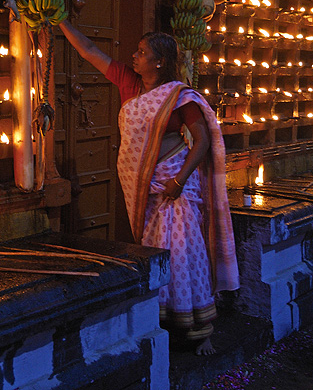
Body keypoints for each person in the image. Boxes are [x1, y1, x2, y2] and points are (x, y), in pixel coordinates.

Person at [57, 20, 240, 355]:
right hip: (144, 189)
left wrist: (179, 180)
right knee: (154, 251)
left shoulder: (179, 97)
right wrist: (60, 20)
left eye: (142, 53)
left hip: (176, 187)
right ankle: (163, 322)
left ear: (159, 62)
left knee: (185, 252)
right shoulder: (131, 84)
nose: (134, 56)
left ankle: (201, 331)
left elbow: (201, 142)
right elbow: (89, 50)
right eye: (137, 52)